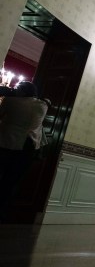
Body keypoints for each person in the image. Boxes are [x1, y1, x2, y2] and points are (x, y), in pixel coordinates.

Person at [0, 81, 49, 217]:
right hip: (27, 146)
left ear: (21, 90)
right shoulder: (42, 105)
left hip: (5, 141)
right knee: (11, 181)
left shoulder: (10, 101)